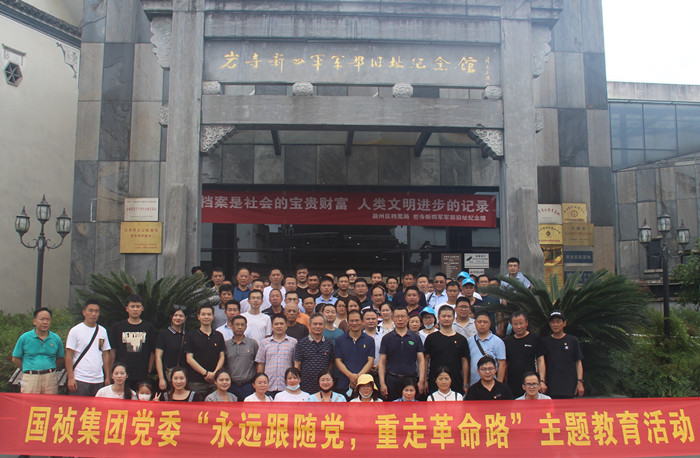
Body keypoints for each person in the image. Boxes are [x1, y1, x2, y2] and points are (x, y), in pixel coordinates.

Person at [378, 306, 427, 401]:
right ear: (393, 318)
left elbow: (421, 360)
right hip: (392, 379)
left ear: (408, 318)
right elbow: (382, 362)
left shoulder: (415, 337)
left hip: (410, 379)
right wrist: (382, 383)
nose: (400, 319)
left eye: (403, 316)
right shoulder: (387, 338)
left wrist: (421, 381)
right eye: (397, 317)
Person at [12, 307, 65, 394]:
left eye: (48, 319)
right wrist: (26, 368)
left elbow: (61, 358)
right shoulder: (25, 338)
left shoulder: (56, 338)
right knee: (29, 401)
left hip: (50, 377)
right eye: (42, 319)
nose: (45, 322)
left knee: (49, 402)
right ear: (34, 321)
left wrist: (50, 366)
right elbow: (15, 358)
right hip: (31, 378)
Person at [109, 294, 157, 391]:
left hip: (141, 373)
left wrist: (148, 370)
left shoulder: (149, 327)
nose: (135, 309)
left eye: (138, 307)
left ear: (142, 308)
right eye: (132, 306)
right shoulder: (117, 327)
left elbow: (152, 351)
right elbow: (113, 351)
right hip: (122, 374)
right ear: (127, 308)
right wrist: (111, 371)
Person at [65, 301, 111, 396]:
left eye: (96, 311)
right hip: (80, 378)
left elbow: (105, 354)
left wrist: (107, 376)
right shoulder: (75, 330)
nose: (93, 314)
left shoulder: (102, 331)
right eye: (90, 311)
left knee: (97, 405)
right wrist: (71, 378)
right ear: (84, 312)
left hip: (98, 379)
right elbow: (68, 355)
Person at [424, 305, 470, 395]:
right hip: (435, 381)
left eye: (449, 316)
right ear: (438, 318)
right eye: (443, 316)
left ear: (454, 318)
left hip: (456, 381)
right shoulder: (431, 338)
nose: (446, 319)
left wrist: (465, 383)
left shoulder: (461, 339)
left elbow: (464, 361)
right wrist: (424, 380)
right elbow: (426, 360)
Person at [542, 310, 584, 399]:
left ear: (564, 323)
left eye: (558, 322)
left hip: (569, 386)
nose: (555, 325)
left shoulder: (573, 341)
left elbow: (578, 362)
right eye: (552, 322)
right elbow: (541, 362)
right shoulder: (545, 342)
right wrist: (542, 381)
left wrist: (580, 382)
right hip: (550, 386)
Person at [185, 304, 226, 396]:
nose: (206, 317)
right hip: (196, 381)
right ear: (198, 317)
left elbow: (222, 356)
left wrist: (214, 373)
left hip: (215, 380)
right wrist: (205, 373)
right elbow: (189, 358)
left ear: (213, 316)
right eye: (203, 314)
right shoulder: (191, 336)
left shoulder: (218, 335)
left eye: (209, 314)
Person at [504, 310, 546, 397]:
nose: (518, 326)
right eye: (515, 324)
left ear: (527, 323)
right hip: (513, 384)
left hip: (531, 384)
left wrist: (542, 381)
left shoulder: (535, 339)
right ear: (511, 324)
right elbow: (505, 364)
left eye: (521, 323)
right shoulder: (507, 341)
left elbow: (541, 360)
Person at [334, 310, 375, 393]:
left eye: (357, 320)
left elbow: (370, 361)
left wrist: (358, 377)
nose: (354, 323)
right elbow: (338, 361)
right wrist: (350, 376)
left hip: (364, 384)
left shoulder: (370, 340)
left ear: (362, 321)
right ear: (347, 322)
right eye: (351, 321)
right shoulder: (340, 340)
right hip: (344, 383)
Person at [256, 314, 297, 397]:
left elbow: (296, 364)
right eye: (276, 324)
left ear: (286, 326)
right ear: (272, 326)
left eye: (281, 324)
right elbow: (261, 364)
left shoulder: (293, 342)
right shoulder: (264, 343)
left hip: (287, 386)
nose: (279, 326)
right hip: (268, 386)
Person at [294, 314, 335, 394]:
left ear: (324, 326)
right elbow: (297, 365)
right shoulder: (301, 343)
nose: (318, 326)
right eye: (315, 324)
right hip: (305, 386)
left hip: (324, 385)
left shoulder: (329, 343)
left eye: (320, 324)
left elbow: (331, 364)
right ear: (309, 325)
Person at [467, 311, 506, 388]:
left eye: (485, 322)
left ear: (490, 323)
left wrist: (499, 385)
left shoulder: (498, 341)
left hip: (492, 385)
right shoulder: (469, 341)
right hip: (473, 384)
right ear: (475, 323)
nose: (482, 324)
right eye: (479, 322)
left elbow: (502, 364)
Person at [224, 315, 259, 400]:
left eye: (242, 325)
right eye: (237, 324)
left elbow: (258, 363)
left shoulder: (252, 344)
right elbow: (223, 364)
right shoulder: (226, 345)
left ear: (246, 327)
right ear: (231, 326)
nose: (239, 327)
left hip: (248, 385)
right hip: (230, 385)